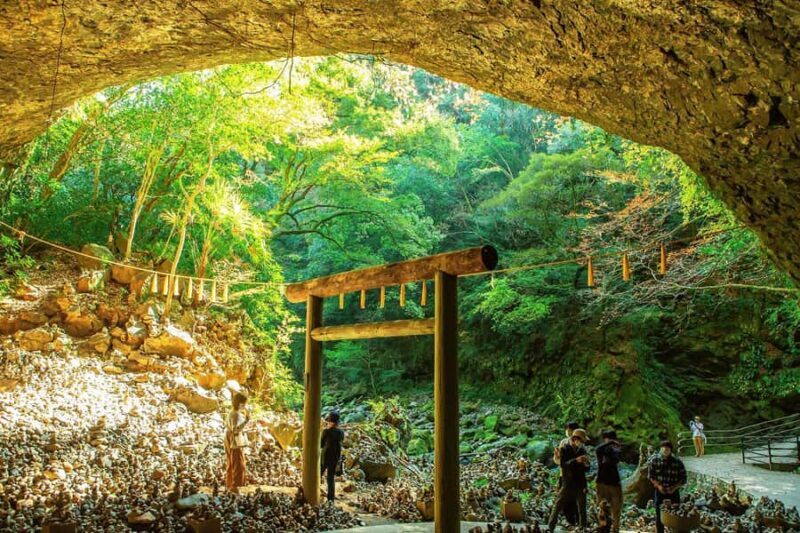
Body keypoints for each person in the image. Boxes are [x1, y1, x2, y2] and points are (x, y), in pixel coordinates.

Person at [548, 428, 590, 532]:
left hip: (580, 483)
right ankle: (550, 527)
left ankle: (583, 528)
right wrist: (576, 460)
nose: (582, 443)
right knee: (558, 505)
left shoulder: (582, 450)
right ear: (575, 439)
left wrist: (586, 464)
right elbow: (563, 465)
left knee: (582, 507)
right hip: (567, 483)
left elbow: (585, 470)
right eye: (581, 441)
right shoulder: (565, 449)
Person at [648, 440, 687, 533]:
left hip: (673, 491)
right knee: (659, 515)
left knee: (676, 514)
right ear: (660, 449)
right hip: (659, 491)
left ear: (671, 450)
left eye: (667, 448)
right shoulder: (655, 461)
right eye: (663, 448)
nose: (665, 450)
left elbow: (683, 478)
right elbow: (651, 476)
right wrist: (659, 486)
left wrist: (674, 488)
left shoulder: (677, 462)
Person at [553, 421, 581, 525]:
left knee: (575, 499)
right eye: (567, 429)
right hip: (563, 474)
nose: (568, 432)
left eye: (570, 430)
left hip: (576, 476)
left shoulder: (580, 443)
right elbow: (558, 461)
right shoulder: (563, 442)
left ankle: (578, 521)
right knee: (564, 499)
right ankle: (570, 521)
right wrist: (557, 456)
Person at [595, 430, 623, 533]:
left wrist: (615, 448)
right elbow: (597, 449)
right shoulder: (601, 449)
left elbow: (617, 459)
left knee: (616, 508)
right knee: (601, 507)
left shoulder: (615, 450)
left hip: (614, 482)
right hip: (602, 482)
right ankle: (603, 528)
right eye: (608, 439)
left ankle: (615, 529)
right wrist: (610, 443)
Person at [224, 392, 249, 492]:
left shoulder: (231, 413)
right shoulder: (236, 415)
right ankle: (234, 486)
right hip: (234, 439)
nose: (245, 406)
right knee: (237, 462)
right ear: (239, 403)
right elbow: (235, 430)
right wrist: (246, 420)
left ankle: (230, 484)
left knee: (231, 461)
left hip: (228, 437)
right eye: (244, 404)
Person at [320, 410, 344, 503]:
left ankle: (312, 492)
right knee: (330, 478)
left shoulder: (326, 432)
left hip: (325, 457)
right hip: (335, 458)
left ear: (330, 422)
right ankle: (331, 499)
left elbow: (321, 445)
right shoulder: (341, 433)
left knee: (318, 474)